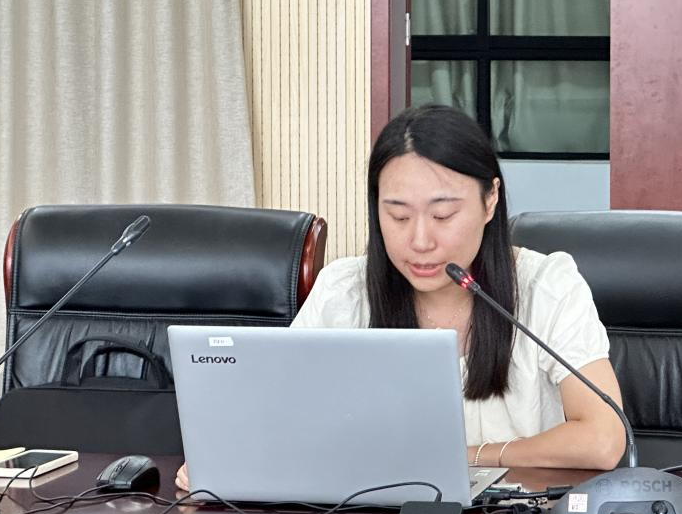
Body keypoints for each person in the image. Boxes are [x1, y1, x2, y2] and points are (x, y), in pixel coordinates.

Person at [176, 105, 625, 491]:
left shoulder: (546, 287)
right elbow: (272, 418)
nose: (420, 241)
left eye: (443, 215)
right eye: (398, 216)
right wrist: (227, 458)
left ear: (490, 200)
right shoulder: (344, 293)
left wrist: (462, 457)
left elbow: (603, 439)